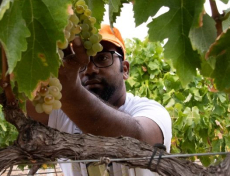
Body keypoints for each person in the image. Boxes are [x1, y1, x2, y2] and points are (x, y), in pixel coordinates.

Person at [27, 24, 172, 176]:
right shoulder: (61, 114)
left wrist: (70, 90)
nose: (90, 69)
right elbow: (22, 98)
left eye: (102, 58)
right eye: (82, 64)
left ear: (125, 69)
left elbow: (139, 138)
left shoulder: (152, 111)